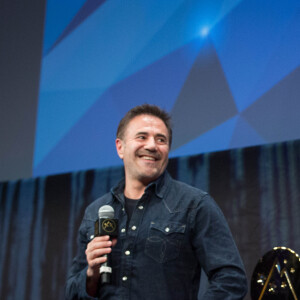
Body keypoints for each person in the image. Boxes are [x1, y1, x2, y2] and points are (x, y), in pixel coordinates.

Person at [65, 104, 248, 299]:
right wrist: (91, 274)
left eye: (161, 140)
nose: (152, 146)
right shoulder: (96, 212)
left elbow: (231, 280)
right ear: (120, 147)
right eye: (142, 137)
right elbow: (72, 294)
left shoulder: (194, 205)